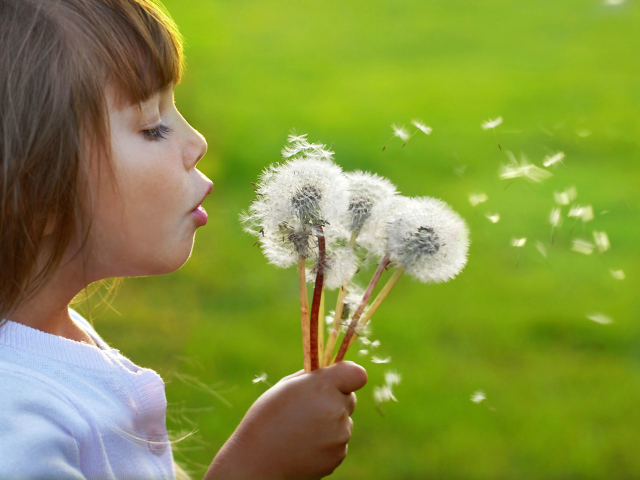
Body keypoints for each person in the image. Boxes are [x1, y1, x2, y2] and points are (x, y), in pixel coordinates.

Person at [0, 0, 368, 479]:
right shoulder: (17, 428)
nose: (197, 143)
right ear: (36, 193)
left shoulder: (51, 336)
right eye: (153, 127)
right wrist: (254, 468)